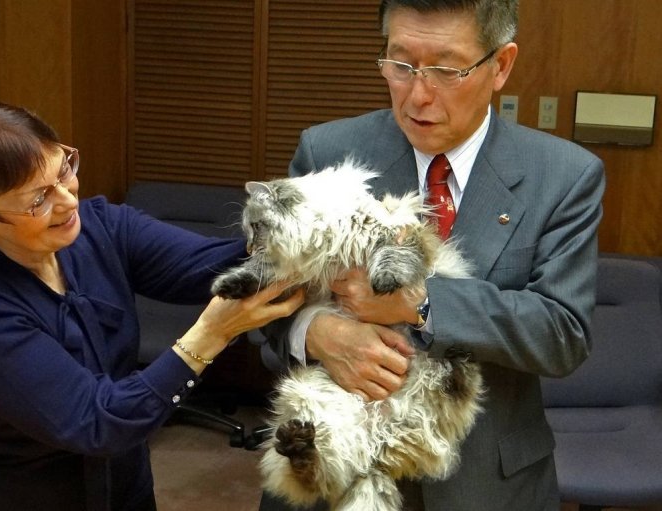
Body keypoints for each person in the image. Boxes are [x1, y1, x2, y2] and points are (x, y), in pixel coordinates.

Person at [259, 1, 605, 510]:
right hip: (334, 467)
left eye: (446, 70)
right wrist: (314, 330)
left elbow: (562, 333)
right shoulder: (328, 150)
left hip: (486, 481)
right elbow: (266, 298)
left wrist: (419, 303)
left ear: (501, 65)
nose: (418, 95)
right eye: (401, 66)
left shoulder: (564, 175)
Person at [0, 99, 304, 511]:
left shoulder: (100, 225)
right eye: (37, 200)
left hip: (120, 483)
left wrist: (304, 237)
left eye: (63, 169)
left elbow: (212, 266)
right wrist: (212, 333)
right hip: (18, 495)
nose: (67, 201)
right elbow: (97, 421)